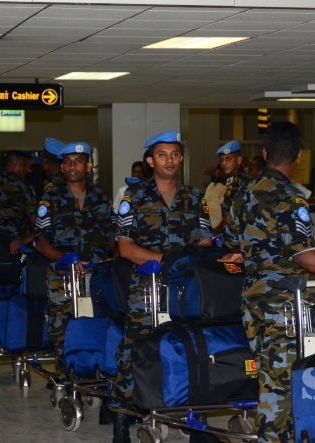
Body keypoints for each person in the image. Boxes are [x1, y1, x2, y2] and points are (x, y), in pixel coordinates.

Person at [223, 121, 315, 443]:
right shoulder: (290, 197)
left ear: (265, 153)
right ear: (299, 156)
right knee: (284, 384)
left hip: (253, 301)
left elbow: (232, 243)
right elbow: (304, 255)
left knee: (271, 377)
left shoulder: (242, 194)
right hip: (286, 306)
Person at [110, 130, 214, 443]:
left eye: (175, 154)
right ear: (150, 161)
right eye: (162, 155)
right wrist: (167, 261)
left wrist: (193, 261)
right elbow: (125, 247)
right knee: (135, 349)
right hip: (147, 287)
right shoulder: (133, 197)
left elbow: (205, 241)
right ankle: (121, 418)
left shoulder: (195, 197)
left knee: (194, 347)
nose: (169, 160)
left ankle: (197, 420)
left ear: (181, 158)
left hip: (187, 288)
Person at [34, 141, 116, 373]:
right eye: (67, 162)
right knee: (63, 328)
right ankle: (66, 375)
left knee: (96, 323)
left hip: (96, 274)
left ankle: (93, 371)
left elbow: (113, 234)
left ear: (88, 166)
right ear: (62, 167)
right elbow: (40, 241)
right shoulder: (50, 197)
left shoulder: (101, 198)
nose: (72, 166)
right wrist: (67, 257)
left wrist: (117, 256)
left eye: (78, 161)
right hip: (62, 275)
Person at [0, 150, 36, 253]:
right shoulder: (25, 188)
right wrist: (25, 241)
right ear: (13, 166)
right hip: (18, 247)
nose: (28, 169)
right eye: (24, 165)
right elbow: (36, 224)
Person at [203, 141, 251, 234]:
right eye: (221, 160)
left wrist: (214, 233)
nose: (224, 163)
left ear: (238, 160)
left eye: (228, 159)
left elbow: (230, 218)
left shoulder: (239, 183)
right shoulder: (234, 180)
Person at [204, 164, 227, 229]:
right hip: (212, 227)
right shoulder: (212, 185)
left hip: (216, 227)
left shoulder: (223, 188)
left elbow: (226, 215)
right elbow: (205, 205)